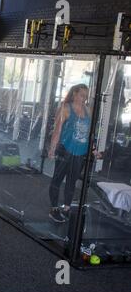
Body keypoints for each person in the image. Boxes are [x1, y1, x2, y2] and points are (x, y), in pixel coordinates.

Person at [48, 84, 91, 223]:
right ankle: (54, 209)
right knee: (57, 180)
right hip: (65, 150)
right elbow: (57, 131)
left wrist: (93, 149)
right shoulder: (65, 108)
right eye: (81, 95)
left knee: (72, 182)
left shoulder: (88, 110)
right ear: (74, 94)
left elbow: (89, 132)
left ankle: (66, 208)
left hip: (80, 152)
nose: (84, 98)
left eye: (86, 96)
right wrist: (52, 149)